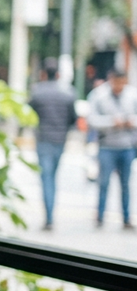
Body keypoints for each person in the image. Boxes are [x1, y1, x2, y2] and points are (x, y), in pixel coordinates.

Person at [28, 61, 77, 230]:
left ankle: (49, 217)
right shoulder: (68, 93)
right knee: (52, 177)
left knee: (46, 178)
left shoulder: (37, 92)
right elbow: (73, 119)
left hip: (43, 140)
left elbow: (28, 115)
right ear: (58, 74)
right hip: (59, 140)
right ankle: (50, 215)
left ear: (43, 74)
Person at [87, 67, 137, 229]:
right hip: (107, 145)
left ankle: (126, 217)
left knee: (126, 184)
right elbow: (92, 120)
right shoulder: (98, 95)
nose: (119, 86)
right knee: (103, 183)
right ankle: (100, 216)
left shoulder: (132, 95)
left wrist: (131, 122)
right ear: (111, 80)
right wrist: (111, 122)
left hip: (127, 146)